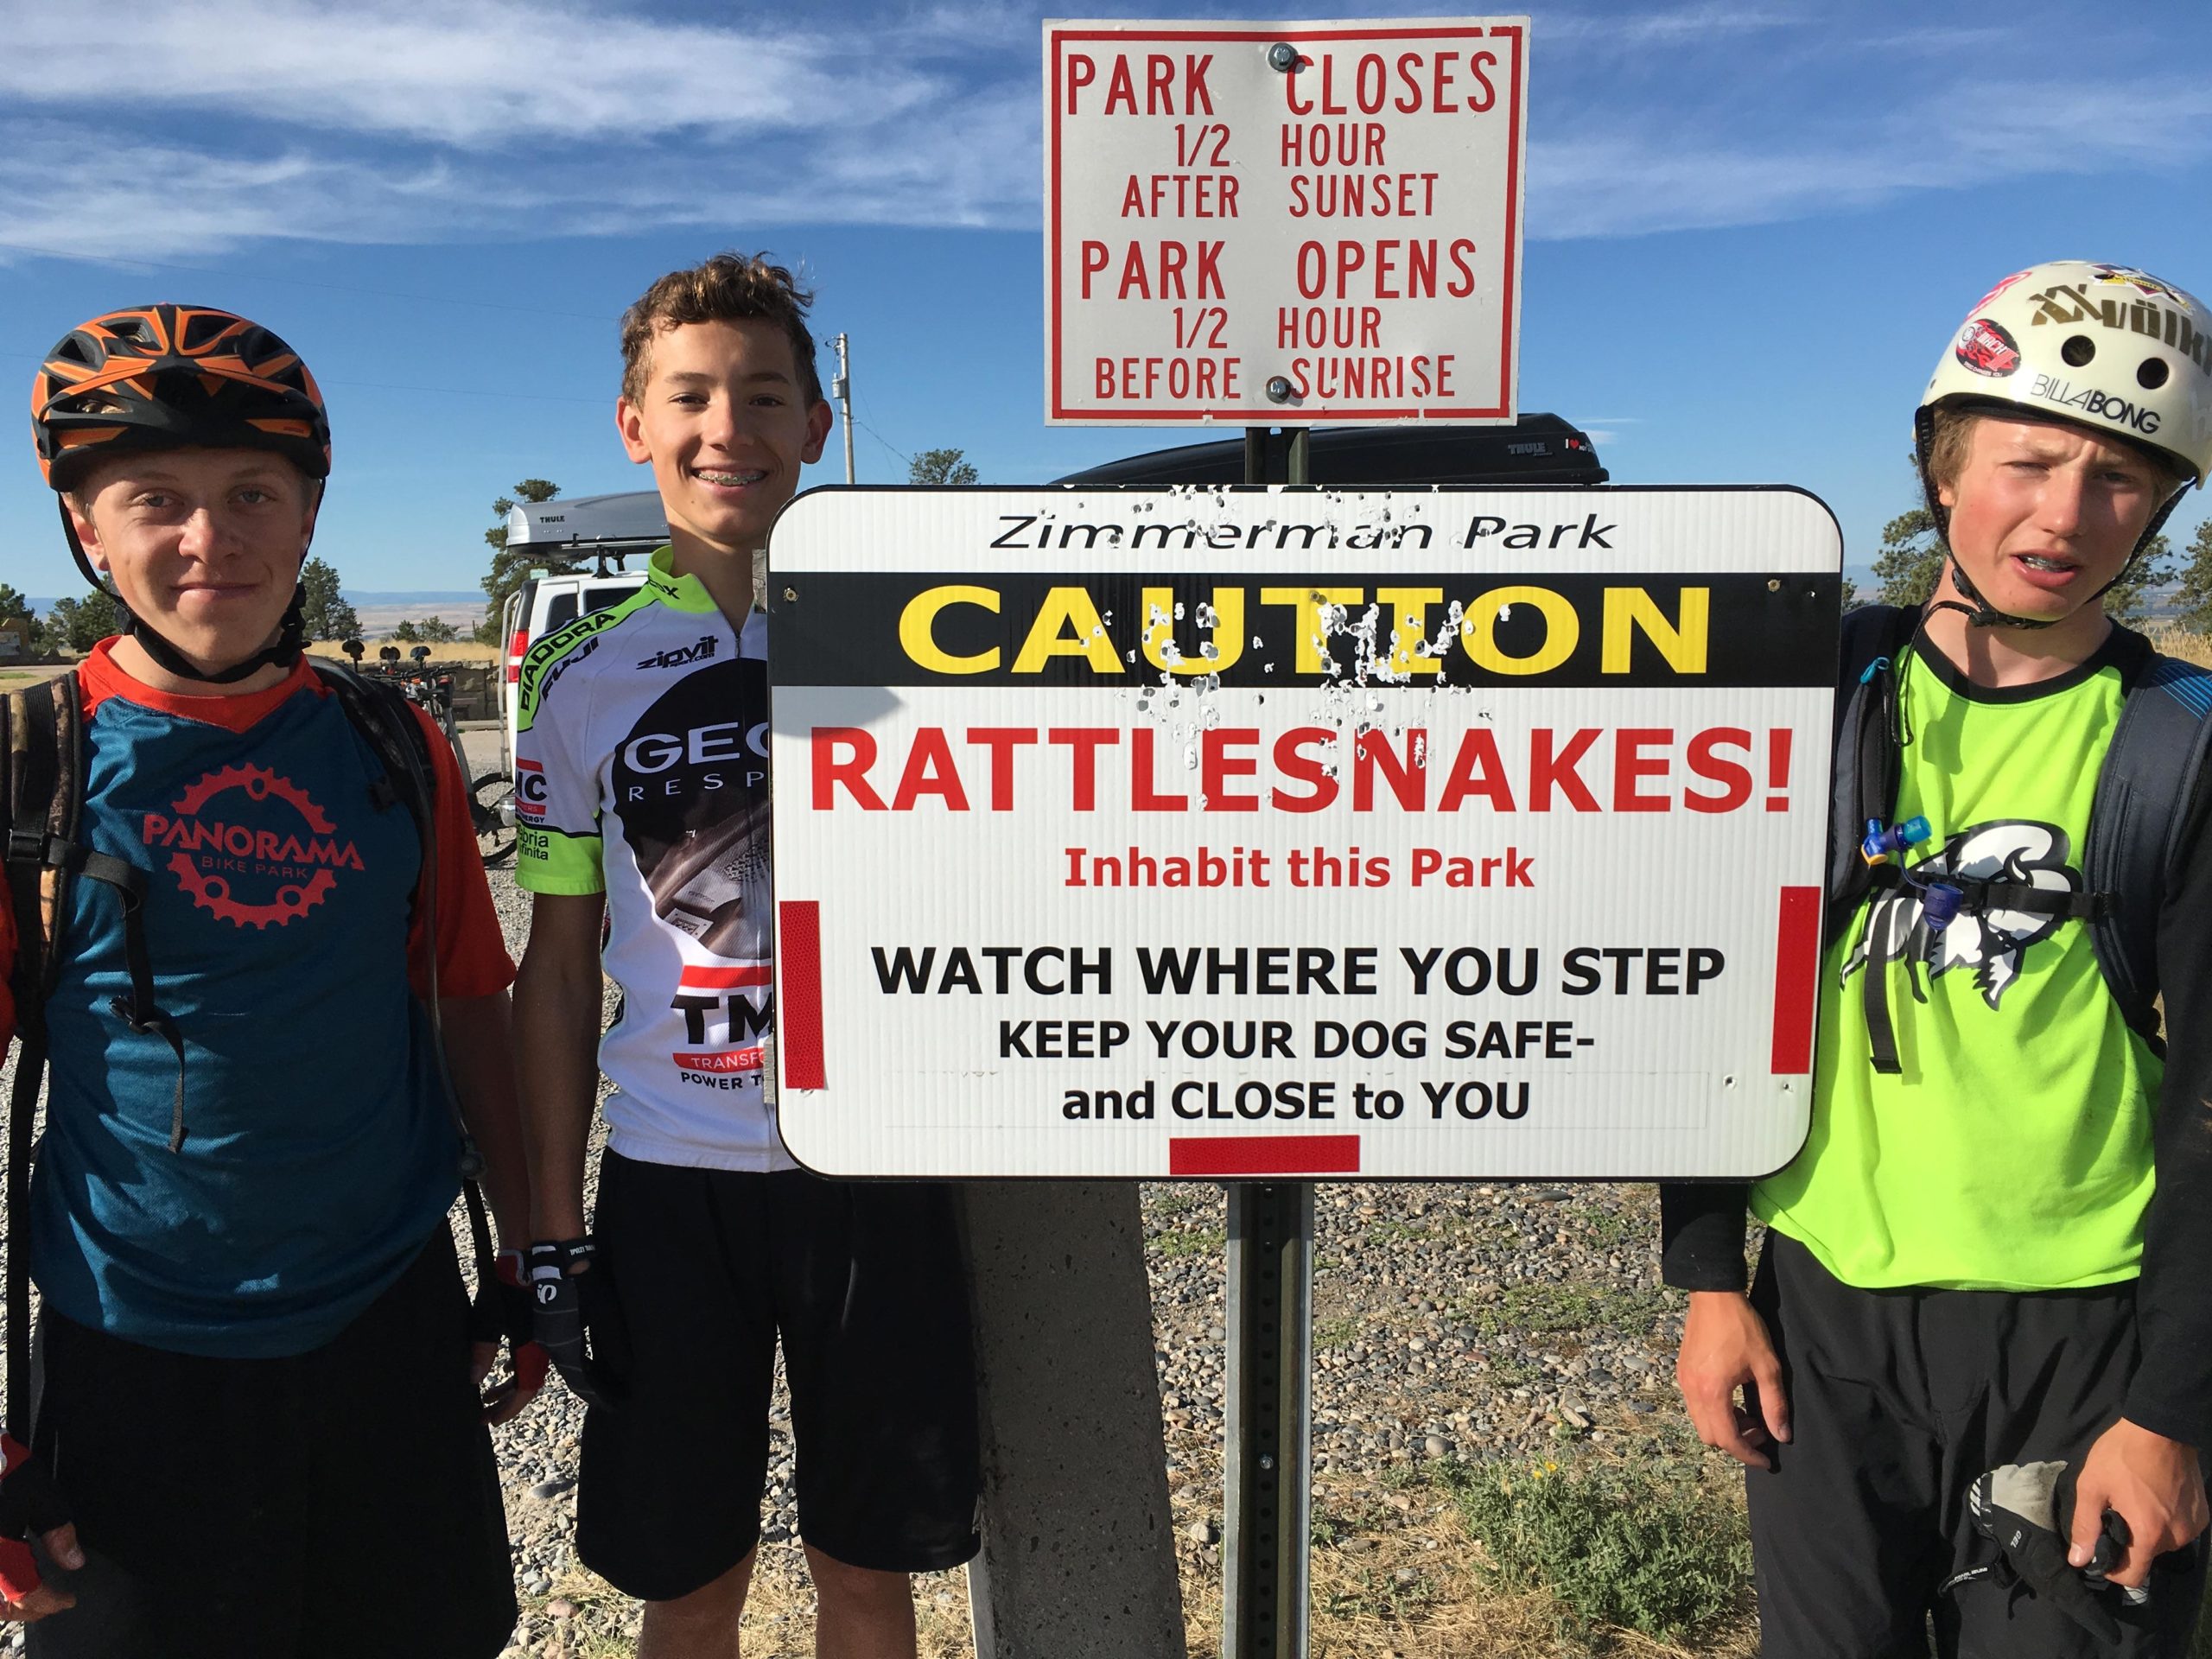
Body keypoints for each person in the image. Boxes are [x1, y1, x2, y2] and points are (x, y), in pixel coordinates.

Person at [1662, 259, 2212, 1656]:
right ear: (1942, 468)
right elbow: (1706, 981)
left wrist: (2170, 1412)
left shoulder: (2180, 749)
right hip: (1827, 1320)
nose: (2065, 517)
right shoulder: (1813, 698)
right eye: (2027, 461)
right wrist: (1713, 1278)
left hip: (2088, 1335)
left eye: (2121, 483)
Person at [0, 303, 543, 1658]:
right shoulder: (30, 767)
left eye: (253, 493)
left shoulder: (390, 738)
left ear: (307, 520)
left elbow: (472, 1002)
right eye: (155, 501)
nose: (210, 539)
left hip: (393, 1331)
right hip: (132, 1348)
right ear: (84, 529)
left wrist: (538, 1245)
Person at [512, 252, 980, 1659]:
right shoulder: (577, 673)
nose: (732, 429)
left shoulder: (920, 643)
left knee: (869, 1572)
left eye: (765, 395)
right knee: (689, 1580)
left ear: (817, 425)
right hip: (667, 1182)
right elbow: (556, 966)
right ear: (635, 424)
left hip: (874, 1170)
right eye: (693, 396)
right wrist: (548, 1221)